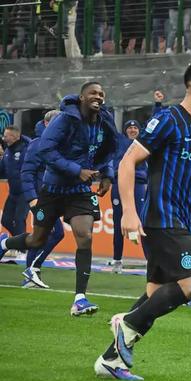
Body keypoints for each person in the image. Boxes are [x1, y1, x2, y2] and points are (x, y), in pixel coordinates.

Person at [94, 59, 191, 381]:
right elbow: (128, 162)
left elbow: (188, 183)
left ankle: (110, 361)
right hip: (162, 220)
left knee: (156, 294)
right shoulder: (168, 119)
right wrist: (128, 212)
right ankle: (127, 324)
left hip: (180, 221)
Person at [0, 82, 118, 316]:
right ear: (82, 97)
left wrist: (107, 175)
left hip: (80, 191)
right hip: (53, 190)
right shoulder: (64, 120)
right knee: (36, 239)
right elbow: (46, 150)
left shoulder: (104, 122)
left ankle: (80, 299)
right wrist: (76, 170)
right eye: (93, 93)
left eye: (101, 94)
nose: (98, 97)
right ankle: (4, 243)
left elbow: (107, 150)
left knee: (85, 237)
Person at [20, 111, 65, 289]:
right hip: (40, 198)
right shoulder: (37, 144)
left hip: (51, 197)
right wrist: (32, 198)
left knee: (43, 235)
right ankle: (32, 270)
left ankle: (31, 271)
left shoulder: (57, 143)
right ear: (47, 124)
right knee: (53, 233)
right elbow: (27, 172)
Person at [107, 120, 148, 274]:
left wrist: (158, 106)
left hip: (138, 184)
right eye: (129, 128)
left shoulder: (144, 142)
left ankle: (150, 260)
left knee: (143, 222)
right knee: (118, 223)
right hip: (120, 184)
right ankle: (117, 260)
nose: (132, 130)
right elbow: (110, 125)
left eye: (135, 127)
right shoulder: (120, 141)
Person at [0, 125, 31, 238]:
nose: (3, 138)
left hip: (25, 192)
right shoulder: (7, 151)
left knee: (19, 219)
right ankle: (22, 241)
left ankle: (22, 246)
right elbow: (2, 170)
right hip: (13, 192)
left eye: (6, 136)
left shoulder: (26, 150)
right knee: (5, 220)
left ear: (14, 137)